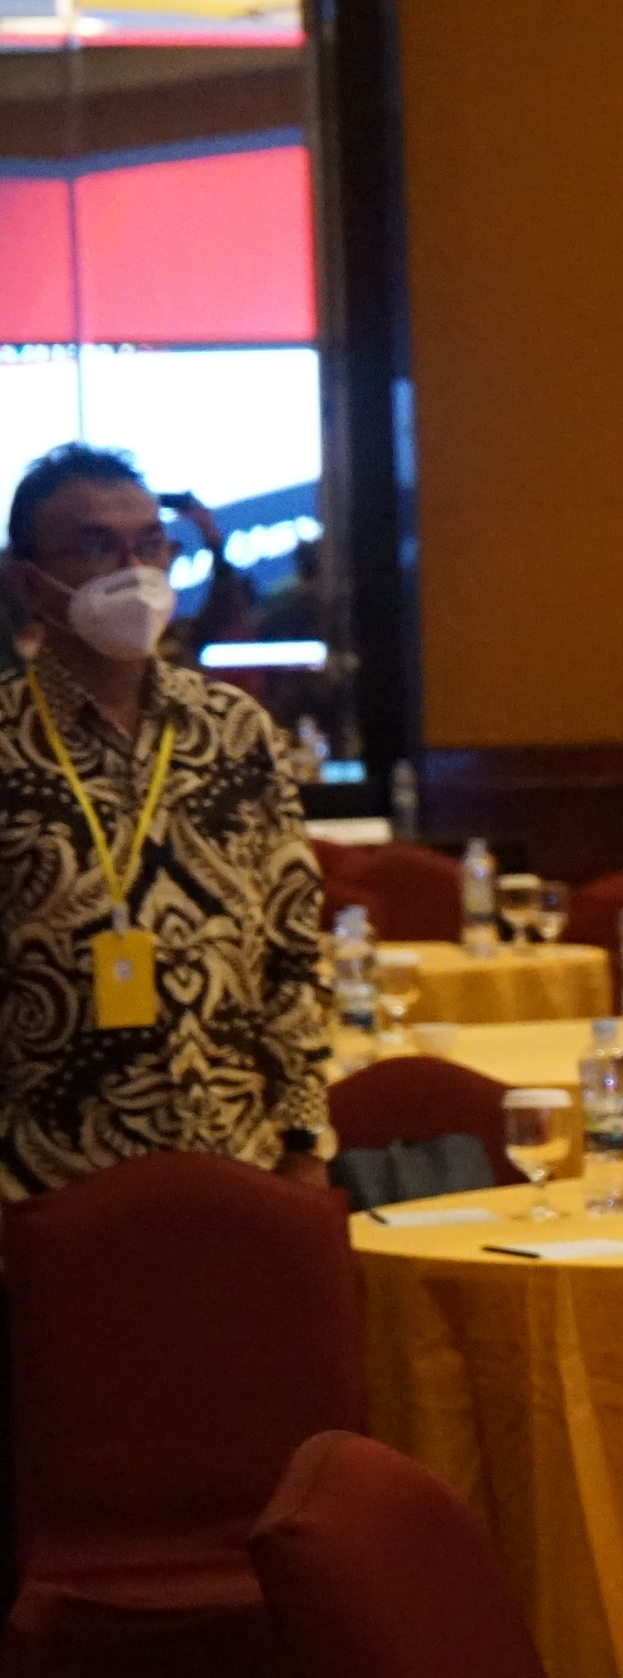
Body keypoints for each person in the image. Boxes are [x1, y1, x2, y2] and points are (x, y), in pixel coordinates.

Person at [0, 445, 327, 1200]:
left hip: (243, 1163)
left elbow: (293, 956)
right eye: (94, 546)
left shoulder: (234, 729)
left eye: (150, 544)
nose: (134, 569)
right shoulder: (8, 739)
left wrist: (306, 1144)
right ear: (28, 582)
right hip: (46, 1184)